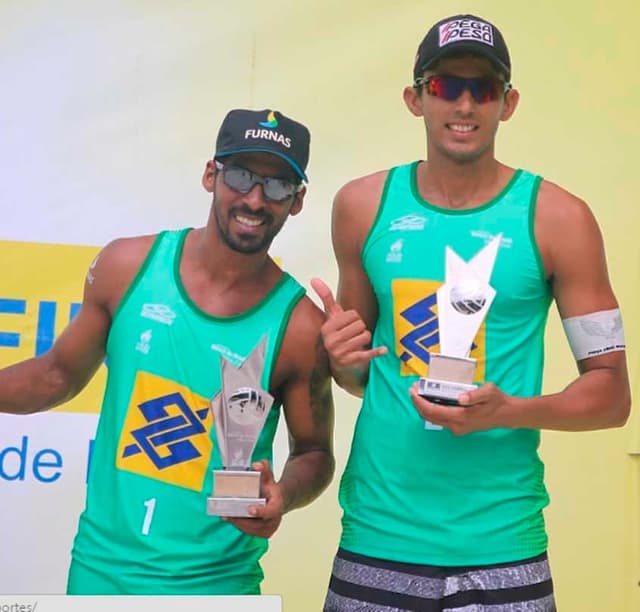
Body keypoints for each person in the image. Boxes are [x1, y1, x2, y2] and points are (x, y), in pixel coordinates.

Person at [312, 13, 630, 612]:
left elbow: (612, 398)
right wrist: (341, 359)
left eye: (482, 88)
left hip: (502, 544)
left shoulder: (560, 218)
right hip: (379, 535)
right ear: (415, 99)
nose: (464, 103)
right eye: (444, 86)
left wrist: (509, 411)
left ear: (507, 103)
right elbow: (362, 377)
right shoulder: (361, 206)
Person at [0, 108, 335, 595]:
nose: (256, 199)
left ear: (297, 201)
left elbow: (314, 452)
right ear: (210, 175)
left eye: (278, 185)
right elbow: (56, 376)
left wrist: (283, 494)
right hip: (102, 574)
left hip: (218, 586)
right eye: (241, 176)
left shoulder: (302, 326)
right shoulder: (127, 265)